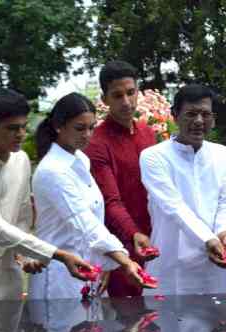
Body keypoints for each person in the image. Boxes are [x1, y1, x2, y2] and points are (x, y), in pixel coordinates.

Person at [30, 93, 148, 299]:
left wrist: (105, 265)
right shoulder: (53, 171)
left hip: (89, 271)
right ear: (59, 126)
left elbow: (95, 220)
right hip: (60, 277)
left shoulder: (81, 159)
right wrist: (125, 261)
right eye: (79, 128)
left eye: (91, 127)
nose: (87, 135)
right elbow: (85, 223)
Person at [0, 89, 92, 301]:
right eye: (12, 128)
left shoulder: (20, 160)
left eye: (23, 126)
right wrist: (57, 254)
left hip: (9, 284)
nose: (21, 134)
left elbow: (22, 217)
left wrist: (26, 256)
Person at [140, 84, 226, 295]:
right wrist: (208, 239)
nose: (198, 121)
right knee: (166, 325)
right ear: (175, 116)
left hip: (215, 267)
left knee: (219, 325)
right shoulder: (153, 157)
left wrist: (225, 232)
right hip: (172, 268)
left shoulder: (221, 154)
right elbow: (174, 206)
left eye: (205, 114)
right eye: (191, 114)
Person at [84, 60, 158, 297]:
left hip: (155, 239)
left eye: (130, 92)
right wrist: (133, 233)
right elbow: (110, 201)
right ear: (104, 100)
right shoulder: (97, 142)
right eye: (117, 95)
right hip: (121, 244)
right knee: (128, 321)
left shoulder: (147, 133)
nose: (126, 102)